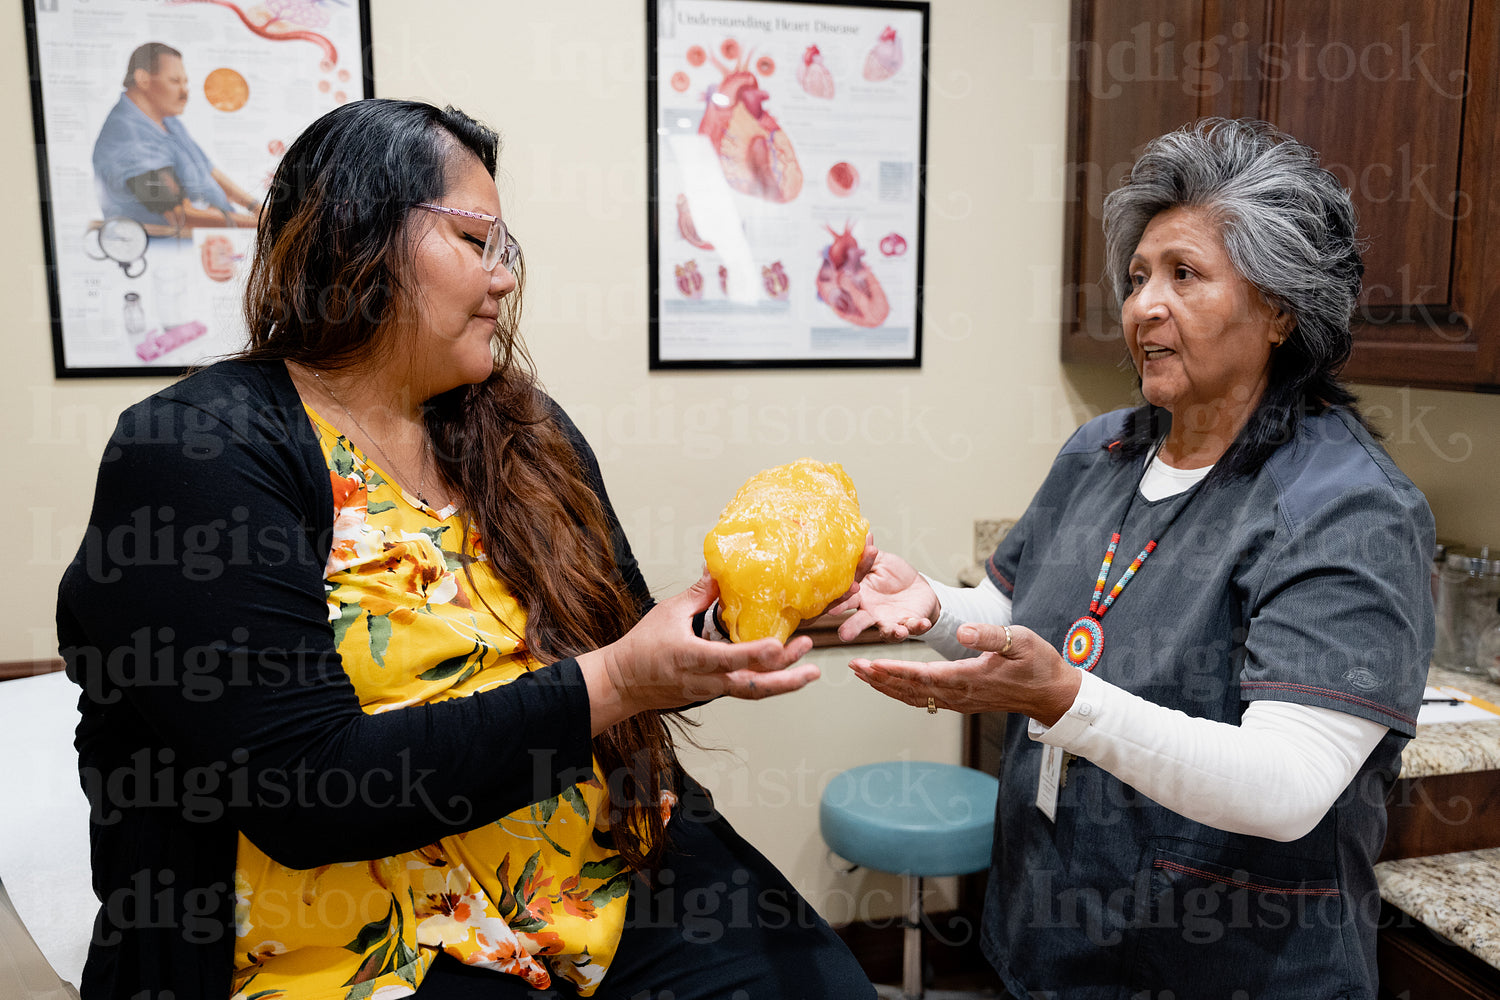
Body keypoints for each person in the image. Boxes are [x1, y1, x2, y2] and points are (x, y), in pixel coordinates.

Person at [57, 99, 873, 1000]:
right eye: (476, 240)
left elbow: (619, 637)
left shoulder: (523, 429)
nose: (504, 279)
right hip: (352, 945)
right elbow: (303, 791)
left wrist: (764, 609)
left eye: (504, 249)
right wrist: (619, 683)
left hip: (596, 878)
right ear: (356, 234)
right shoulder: (197, 452)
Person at [831, 119, 1434, 999]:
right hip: (1053, 930)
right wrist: (930, 605)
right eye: (1139, 276)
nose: (1143, 305)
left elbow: (1287, 787)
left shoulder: (1348, 507)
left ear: (1279, 309)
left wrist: (1064, 699)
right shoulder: (1100, 451)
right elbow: (1022, 624)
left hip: (1230, 966)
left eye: (1184, 275)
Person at [91, 42, 261, 229]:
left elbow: (208, 171)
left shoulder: (166, 119)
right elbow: (178, 215)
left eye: (185, 82)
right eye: (174, 81)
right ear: (143, 79)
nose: (185, 92)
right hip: (168, 249)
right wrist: (258, 224)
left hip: (217, 235)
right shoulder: (126, 137)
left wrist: (256, 207)